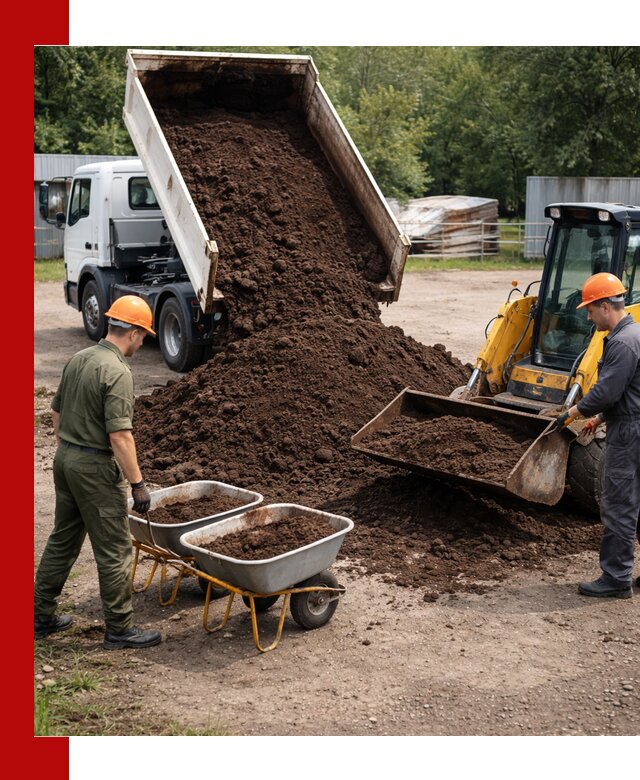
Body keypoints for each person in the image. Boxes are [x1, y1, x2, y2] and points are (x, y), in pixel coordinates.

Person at [34, 295, 162, 648]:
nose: (142, 342)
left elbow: (56, 414)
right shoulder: (117, 371)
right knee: (115, 549)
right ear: (133, 332)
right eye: (144, 335)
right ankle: (120, 628)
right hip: (93, 467)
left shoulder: (80, 358)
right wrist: (138, 484)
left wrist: (73, 445)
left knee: (63, 539)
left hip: (66, 459)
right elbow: (120, 436)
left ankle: (39, 616)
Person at [553, 273, 640, 598]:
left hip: (630, 433)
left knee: (619, 503)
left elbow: (605, 392)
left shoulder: (621, 341)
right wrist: (601, 418)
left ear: (605, 306)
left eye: (590, 311)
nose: (589, 317)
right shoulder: (637, 334)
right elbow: (631, 391)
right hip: (632, 420)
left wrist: (574, 413)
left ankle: (616, 578)